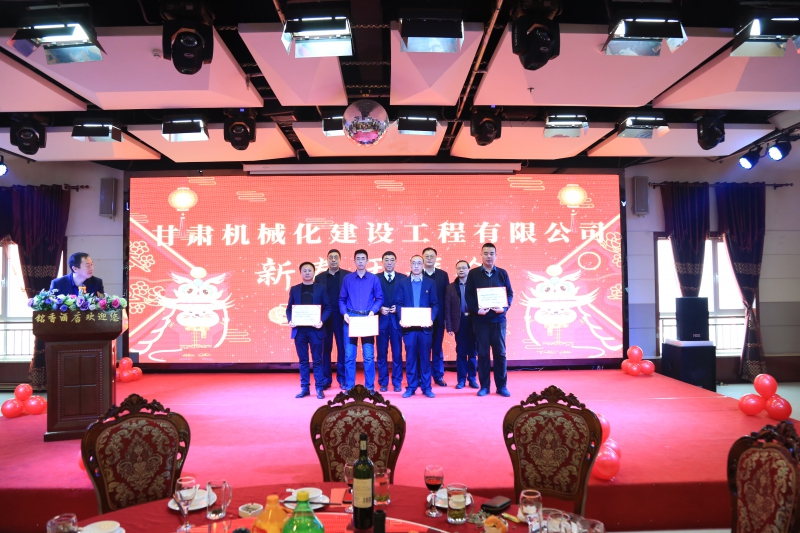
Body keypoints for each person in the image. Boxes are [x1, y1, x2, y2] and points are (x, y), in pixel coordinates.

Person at [464, 243, 513, 397]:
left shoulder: (502, 273)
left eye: (492, 253)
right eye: (486, 253)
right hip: (481, 321)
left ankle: (501, 386)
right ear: (481, 255)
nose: (489, 256)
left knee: (500, 354)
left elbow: (509, 294)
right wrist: (476, 309)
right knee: (483, 354)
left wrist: (503, 308)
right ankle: (484, 386)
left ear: (496, 255)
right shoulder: (473, 274)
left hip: (498, 321)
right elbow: (468, 295)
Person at [339, 249, 384, 392]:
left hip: (367, 319)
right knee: (349, 356)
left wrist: (373, 311)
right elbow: (342, 299)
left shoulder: (374, 279)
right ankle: (349, 387)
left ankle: (369, 388)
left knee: (369, 356)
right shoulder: (347, 279)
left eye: (363, 258)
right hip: (351, 319)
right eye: (358, 258)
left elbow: (380, 299)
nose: (360, 261)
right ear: (354, 261)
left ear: (367, 261)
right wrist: (344, 313)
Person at [395, 255, 439, 398]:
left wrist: (431, 319)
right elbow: (399, 303)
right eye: (413, 263)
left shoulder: (430, 283)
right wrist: (402, 318)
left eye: (419, 263)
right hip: (409, 328)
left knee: (425, 359)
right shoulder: (403, 283)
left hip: (425, 328)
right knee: (410, 359)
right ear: (410, 265)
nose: (416, 266)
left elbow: (435, 304)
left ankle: (426, 387)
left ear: (423, 265)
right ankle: (411, 387)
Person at [287, 262, 331, 399]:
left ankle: (319, 388)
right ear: (300, 273)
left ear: (314, 272)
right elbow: (289, 309)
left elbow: (328, 307)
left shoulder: (321, 288)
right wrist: (290, 320)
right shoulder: (294, 289)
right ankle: (305, 388)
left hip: (315, 331)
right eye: (304, 270)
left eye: (309, 270)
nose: (307, 273)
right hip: (299, 331)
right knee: (303, 361)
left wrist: (321, 321)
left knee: (317, 360)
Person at [315, 249, 351, 390]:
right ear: (327, 259)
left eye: (336, 257)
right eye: (331, 257)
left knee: (343, 348)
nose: (334, 259)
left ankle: (342, 378)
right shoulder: (319, 278)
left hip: (342, 316)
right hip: (325, 318)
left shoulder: (347, 276)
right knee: (326, 348)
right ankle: (326, 379)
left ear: (340, 259)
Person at [445, 260, 479, 390]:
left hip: (474, 321)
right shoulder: (450, 287)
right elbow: (447, 308)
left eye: (464, 268)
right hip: (459, 322)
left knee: (473, 353)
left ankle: (472, 379)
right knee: (461, 352)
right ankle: (461, 380)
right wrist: (449, 326)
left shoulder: (475, 285)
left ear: (469, 269)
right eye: (458, 268)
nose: (461, 270)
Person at [377, 251, 407, 392]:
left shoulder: (403, 278)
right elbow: (371, 298)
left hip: (396, 321)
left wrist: (399, 309)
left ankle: (397, 382)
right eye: (386, 260)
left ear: (396, 261)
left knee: (397, 354)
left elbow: (408, 299)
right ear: (382, 261)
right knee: (381, 354)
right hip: (381, 321)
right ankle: (383, 382)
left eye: (392, 260)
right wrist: (379, 308)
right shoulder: (376, 278)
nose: (389, 262)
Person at [422, 247, 450, 387]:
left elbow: (447, 297)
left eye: (431, 256)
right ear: (422, 258)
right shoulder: (417, 274)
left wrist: (446, 318)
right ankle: (422, 376)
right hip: (420, 319)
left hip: (438, 319)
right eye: (426, 256)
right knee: (423, 349)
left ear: (436, 258)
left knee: (437, 348)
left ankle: (438, 376)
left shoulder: (443, 275)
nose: (429, 258)